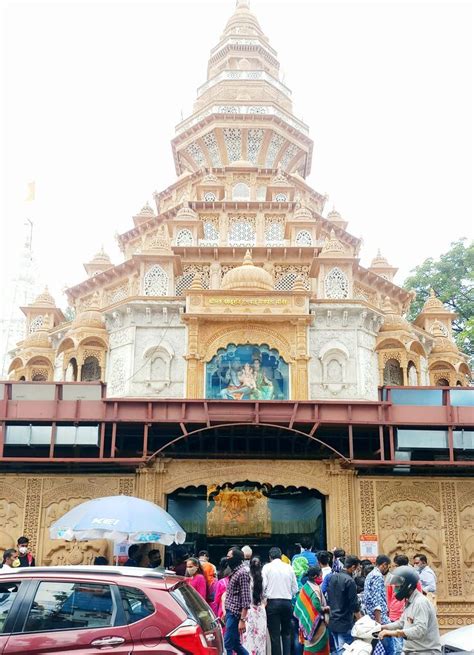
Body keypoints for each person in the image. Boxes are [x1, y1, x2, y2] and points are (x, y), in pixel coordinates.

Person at [378, 565, 441, 654]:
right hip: (412, 651)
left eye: (397, 587)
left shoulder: (420, 602)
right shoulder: (410, 602)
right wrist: (382, 627)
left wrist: (393, 633)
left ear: (407, 585)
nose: (395, 590)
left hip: (424, 652)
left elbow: (419, 630)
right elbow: (402, 623)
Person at [262, 546, 298, 655]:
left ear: (270, 557)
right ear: (281, 555)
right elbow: (295, 588)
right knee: (286, 633)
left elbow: (263, 587)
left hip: (272, 603)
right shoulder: (289, 567)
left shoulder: (267, 567)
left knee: (275, 635)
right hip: (287, 603)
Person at [387, 555, 422, 655]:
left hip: (409, 615)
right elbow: (389, 595)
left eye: (395, 565)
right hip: (395, 615)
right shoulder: (393, 578)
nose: (394, 568)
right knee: (398, 648)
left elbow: (417, 595)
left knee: (408, 646)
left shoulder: (413, 579)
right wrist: (390, 609)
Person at [326, 555, 361, 655]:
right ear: (353, 567)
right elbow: (354, 605)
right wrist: (361, 620)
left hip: (333, 621)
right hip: (344, 623)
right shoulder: (350, 581)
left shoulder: (333, 577)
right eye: (357, 568)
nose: (358, 571)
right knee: (345, 651)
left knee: (338, 650)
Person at [294, 566, 330, 655]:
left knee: (308, 646)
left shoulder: (305, 586)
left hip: (308, 620)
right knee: (321, 646)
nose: (321, 576)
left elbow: (299, 603)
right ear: (315, 576)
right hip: (317, 623)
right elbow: (316, 605)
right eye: (320, 574)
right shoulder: (315, 590)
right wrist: (325, 608)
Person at [363, 554, 393, 655]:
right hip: (380, 620)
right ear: (384, 565)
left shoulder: (370, 575)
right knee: (390, 650)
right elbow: (376, 601)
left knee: (375, 648)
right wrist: (379, 623)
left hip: (372, 618)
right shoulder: (377, 576)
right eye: (388, 566)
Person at [223, 547, 251, 655]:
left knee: (227, 645)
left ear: (235, 558)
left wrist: (242, 620)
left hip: (235, 614)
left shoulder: (242, 573)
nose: (227, 559)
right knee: (235, 644)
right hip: (230, 612)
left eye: (229, 557)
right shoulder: (235, 572)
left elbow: (246, 598)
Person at [242, 557, 267, 655]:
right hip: (260, 610)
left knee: (248, 638)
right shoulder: (263, 577)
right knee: (260, 638)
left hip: (249, 610)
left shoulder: (247, 578)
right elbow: (265, 596)